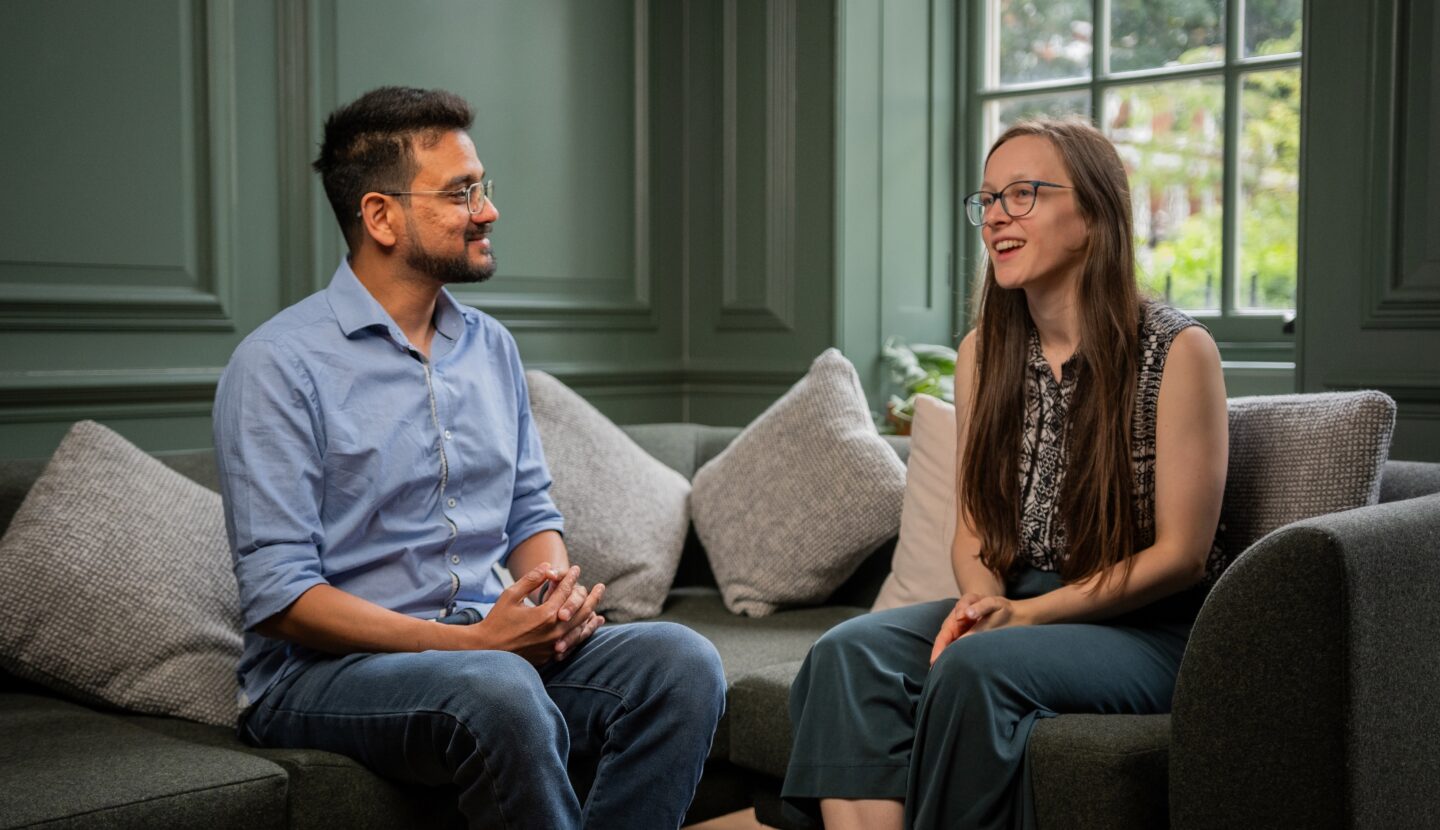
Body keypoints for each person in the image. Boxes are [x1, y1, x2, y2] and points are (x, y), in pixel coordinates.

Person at [212, 86, 725, 830]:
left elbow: (527, 510)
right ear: (381, 216)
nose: (487, 210)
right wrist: (475, 642)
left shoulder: (491, 347)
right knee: (498, 688)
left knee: (681, 664)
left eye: (482, 187)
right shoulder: (277, 366)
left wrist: (550, 607)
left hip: (482, 647)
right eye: (461, 194)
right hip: (326, 679)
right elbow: (282, 598)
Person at [782, 118, 1229, 829]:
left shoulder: (1178, 352)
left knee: (972, 670)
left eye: (1022, 194)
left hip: (1151, 632)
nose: (995, 216)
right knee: (849, 655)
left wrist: (1025, 617)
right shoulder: (983, 352)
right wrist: (983, 603)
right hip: (1022, 606)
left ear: (1092, 214)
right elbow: (976, 528)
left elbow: (1181, 557)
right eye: (987, 199)